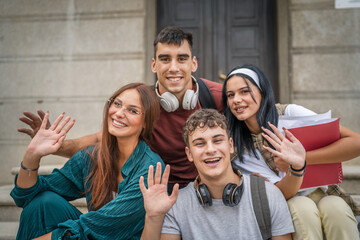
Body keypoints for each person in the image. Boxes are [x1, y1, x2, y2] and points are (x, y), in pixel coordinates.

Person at [17, 26, 223, 192]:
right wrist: (56, 145)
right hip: (155, 191)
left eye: (182, 58)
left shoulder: (216, 96)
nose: (174, 67)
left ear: (194, 63)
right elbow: (102, 139)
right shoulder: (143, 103)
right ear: (154, 65)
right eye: (165, 59)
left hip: (205, 190)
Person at [222, 64, 360, 240]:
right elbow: (281, 193)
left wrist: (301, 159)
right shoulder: (237, 147)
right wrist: (295, 167)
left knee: (335, 207)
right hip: (286, 203)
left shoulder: (289, 114)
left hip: (321, 192)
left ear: (262, 92)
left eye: (244, 92)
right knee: (301, 207)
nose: (236, 100)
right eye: (230, 95)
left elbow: (356, 142)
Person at [11, 83, 164, 240]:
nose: (119, 113)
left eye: (132, 110)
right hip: (93, 233)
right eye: (117, 104)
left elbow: (98, 226)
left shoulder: (150, 168)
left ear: (146, 123)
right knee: (41, 203)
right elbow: (25, 196)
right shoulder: (92, 156)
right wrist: (32, 155)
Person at [139, 108, 299, 240]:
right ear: (189, 154)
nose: (210, 149)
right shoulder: (176, 205)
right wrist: (153, 216)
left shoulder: (268, 194)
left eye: (217, 140)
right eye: (200, 143)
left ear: (230, 145)